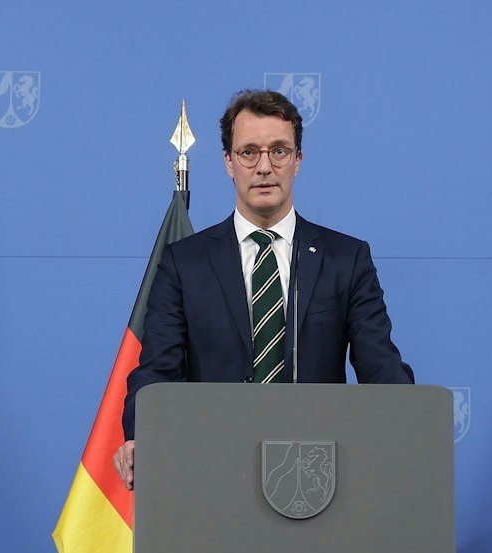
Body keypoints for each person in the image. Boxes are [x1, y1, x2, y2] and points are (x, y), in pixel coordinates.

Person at [111, 89, 414, 488]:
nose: (264, 167)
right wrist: (139, 434)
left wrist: (412, 425)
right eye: (249, 152)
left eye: (279, 151)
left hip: (317, 476)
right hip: (213, 473)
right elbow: (157, 372)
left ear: (298, 161)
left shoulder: (346, 258)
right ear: (228, 163)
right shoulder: (184, 263)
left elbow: (381, 368)